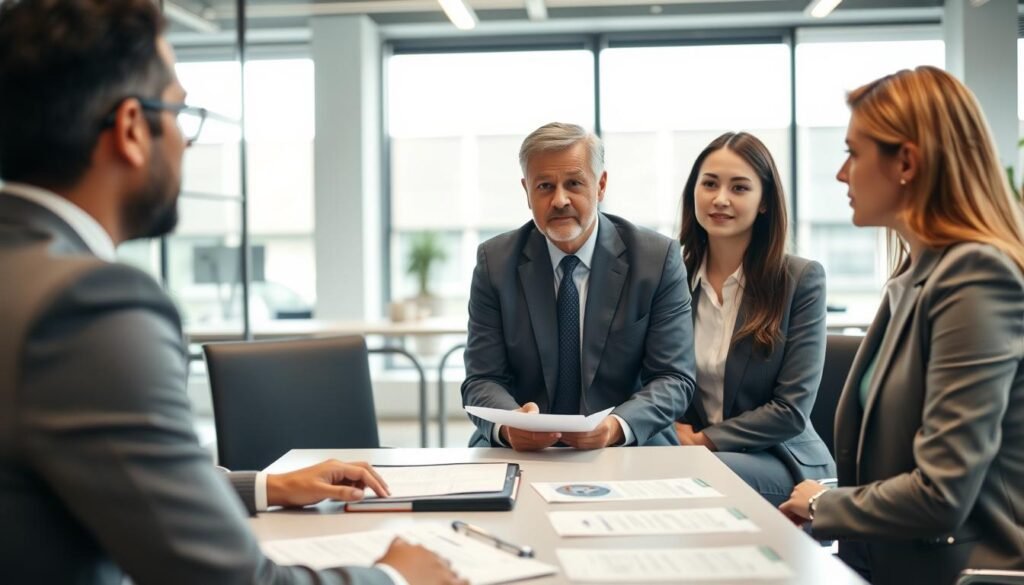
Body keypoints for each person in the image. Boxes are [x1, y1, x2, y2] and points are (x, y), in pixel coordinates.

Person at [0, 1, 464, 584]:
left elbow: (104, 468)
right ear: (130, 130)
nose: (187, 143)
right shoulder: (86, 307)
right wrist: (397, 579)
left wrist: (268, 486)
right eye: (180, 112)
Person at [779, 66, 1024, 585]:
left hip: (963, 573)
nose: (842, 174)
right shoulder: (917, 276)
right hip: (889, 563)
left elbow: (941, 493)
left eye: (854, 153)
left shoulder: (976, 276)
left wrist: (826, 504)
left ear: (906, 162)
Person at [461, 122, 696, 451]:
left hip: (629, 444)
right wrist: (510, 423)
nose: (559, 200)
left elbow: (674, 378)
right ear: (526, 191)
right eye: (544, 186)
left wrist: (615, 427)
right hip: (521, 447)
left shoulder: (656, 260)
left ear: (600, 186)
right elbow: (481, 379)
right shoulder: (495, 263)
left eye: (573, 183)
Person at [674, 132, 836, 507]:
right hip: (691, 454)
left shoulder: (800, 280)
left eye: (740, 187)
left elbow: (791, 410)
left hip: (781, 459)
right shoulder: (672, 279)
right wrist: (671, 431)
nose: (720, 199)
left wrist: (704, 441)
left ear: (764, 202)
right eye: (709, 184)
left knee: (691, 476)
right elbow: (653, 379)